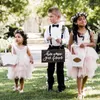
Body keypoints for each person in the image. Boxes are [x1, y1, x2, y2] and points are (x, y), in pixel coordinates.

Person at [67, 12, 99, 99]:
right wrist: (72, 52)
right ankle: (79, 93)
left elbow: (93, 44)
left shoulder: (89, 32)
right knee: (79, 73)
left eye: (84, 19)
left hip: (88, 54)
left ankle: (82, 87)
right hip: (78, 53)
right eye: (80, 19)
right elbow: (69, 45)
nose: (82, 21)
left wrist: (86, 44)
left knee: (86, 73)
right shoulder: (73, 33)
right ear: (76, 22)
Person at [44, 7, 69, 92]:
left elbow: (67, 39)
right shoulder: (48, 28)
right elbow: (45, 39)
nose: (50, 18)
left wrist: (62, 40)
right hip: (51, 48)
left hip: (60, 48)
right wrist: (47, 38)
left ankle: (61, 86)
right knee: (50, 69)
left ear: (58, 17)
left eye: (51, 16)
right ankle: (50, 86)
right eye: (49, 16)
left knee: (60, 69)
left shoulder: (64, 28)